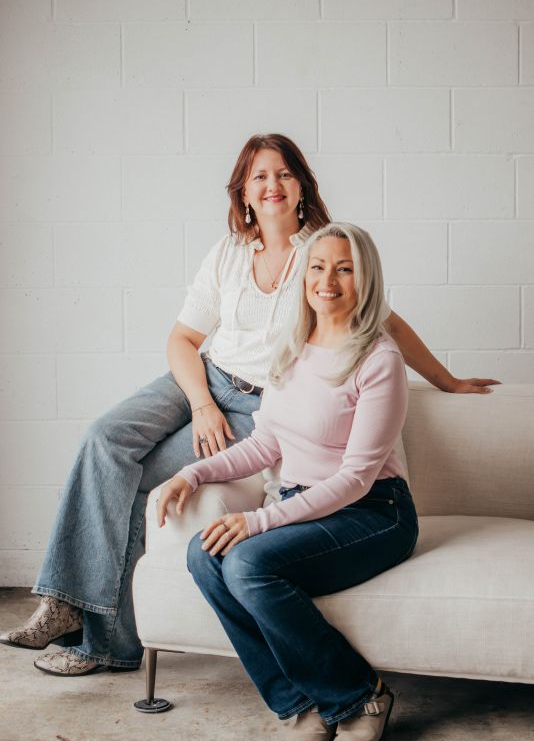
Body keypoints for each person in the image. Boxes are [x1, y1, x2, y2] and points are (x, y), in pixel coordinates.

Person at [0, 134, 498, 677]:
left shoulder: (321, 252)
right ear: (243, 191)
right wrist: (201, 403)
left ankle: (109, 643)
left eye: (283, 174)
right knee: (103, 439)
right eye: (259, 176)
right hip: (203, 379)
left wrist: (446, 380)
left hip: (256, 404)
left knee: (141, 478)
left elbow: (385, 320)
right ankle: (63, 601)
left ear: (302, 186)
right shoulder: (229, 252)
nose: (272, 185)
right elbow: (182, 338)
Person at [158, 223, 417, 741]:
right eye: (318, 267)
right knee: (204, 554)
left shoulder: (379, 359)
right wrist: (193, 473)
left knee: (247, 564)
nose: (328, 281)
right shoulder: (293, 346)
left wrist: (258, 520)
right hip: (306, 503)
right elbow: (266, 444)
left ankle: (360, 697)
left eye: (344, 269)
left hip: (375, 513)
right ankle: (300, 702)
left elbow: (355, 478)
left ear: (366, 279)